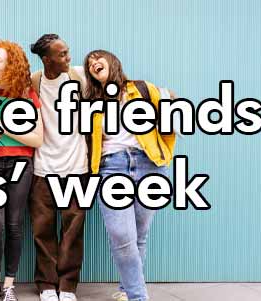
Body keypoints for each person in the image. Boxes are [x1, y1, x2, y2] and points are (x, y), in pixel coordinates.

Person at [83, 50, 176, 301]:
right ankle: (138, 296)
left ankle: (126, 290)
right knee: (122, 235)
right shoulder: (93, 102)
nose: (93, 63)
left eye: (97, 58)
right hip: (112, 167)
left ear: (114, 62)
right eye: (89, 63)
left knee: (139, 233)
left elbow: (173, 113)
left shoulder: (143, 89)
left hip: (150, 165)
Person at [0, 40, 43, 301]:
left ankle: (9, 285)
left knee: (14, 225)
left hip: (20, 163)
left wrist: (6, 128)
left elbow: (37, 139)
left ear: (11, 66)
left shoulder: (27, 96)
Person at [27, 34, 88, 301]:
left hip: (77, 166)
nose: (68, 58)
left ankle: (67, 286)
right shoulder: (35, 81)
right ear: (46, 59)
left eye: (67, 52)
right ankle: (46, 285)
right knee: (43, 230)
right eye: (62, 54)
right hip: (43, 169)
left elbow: (115, 84)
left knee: (73, 230)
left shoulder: (78, 78)